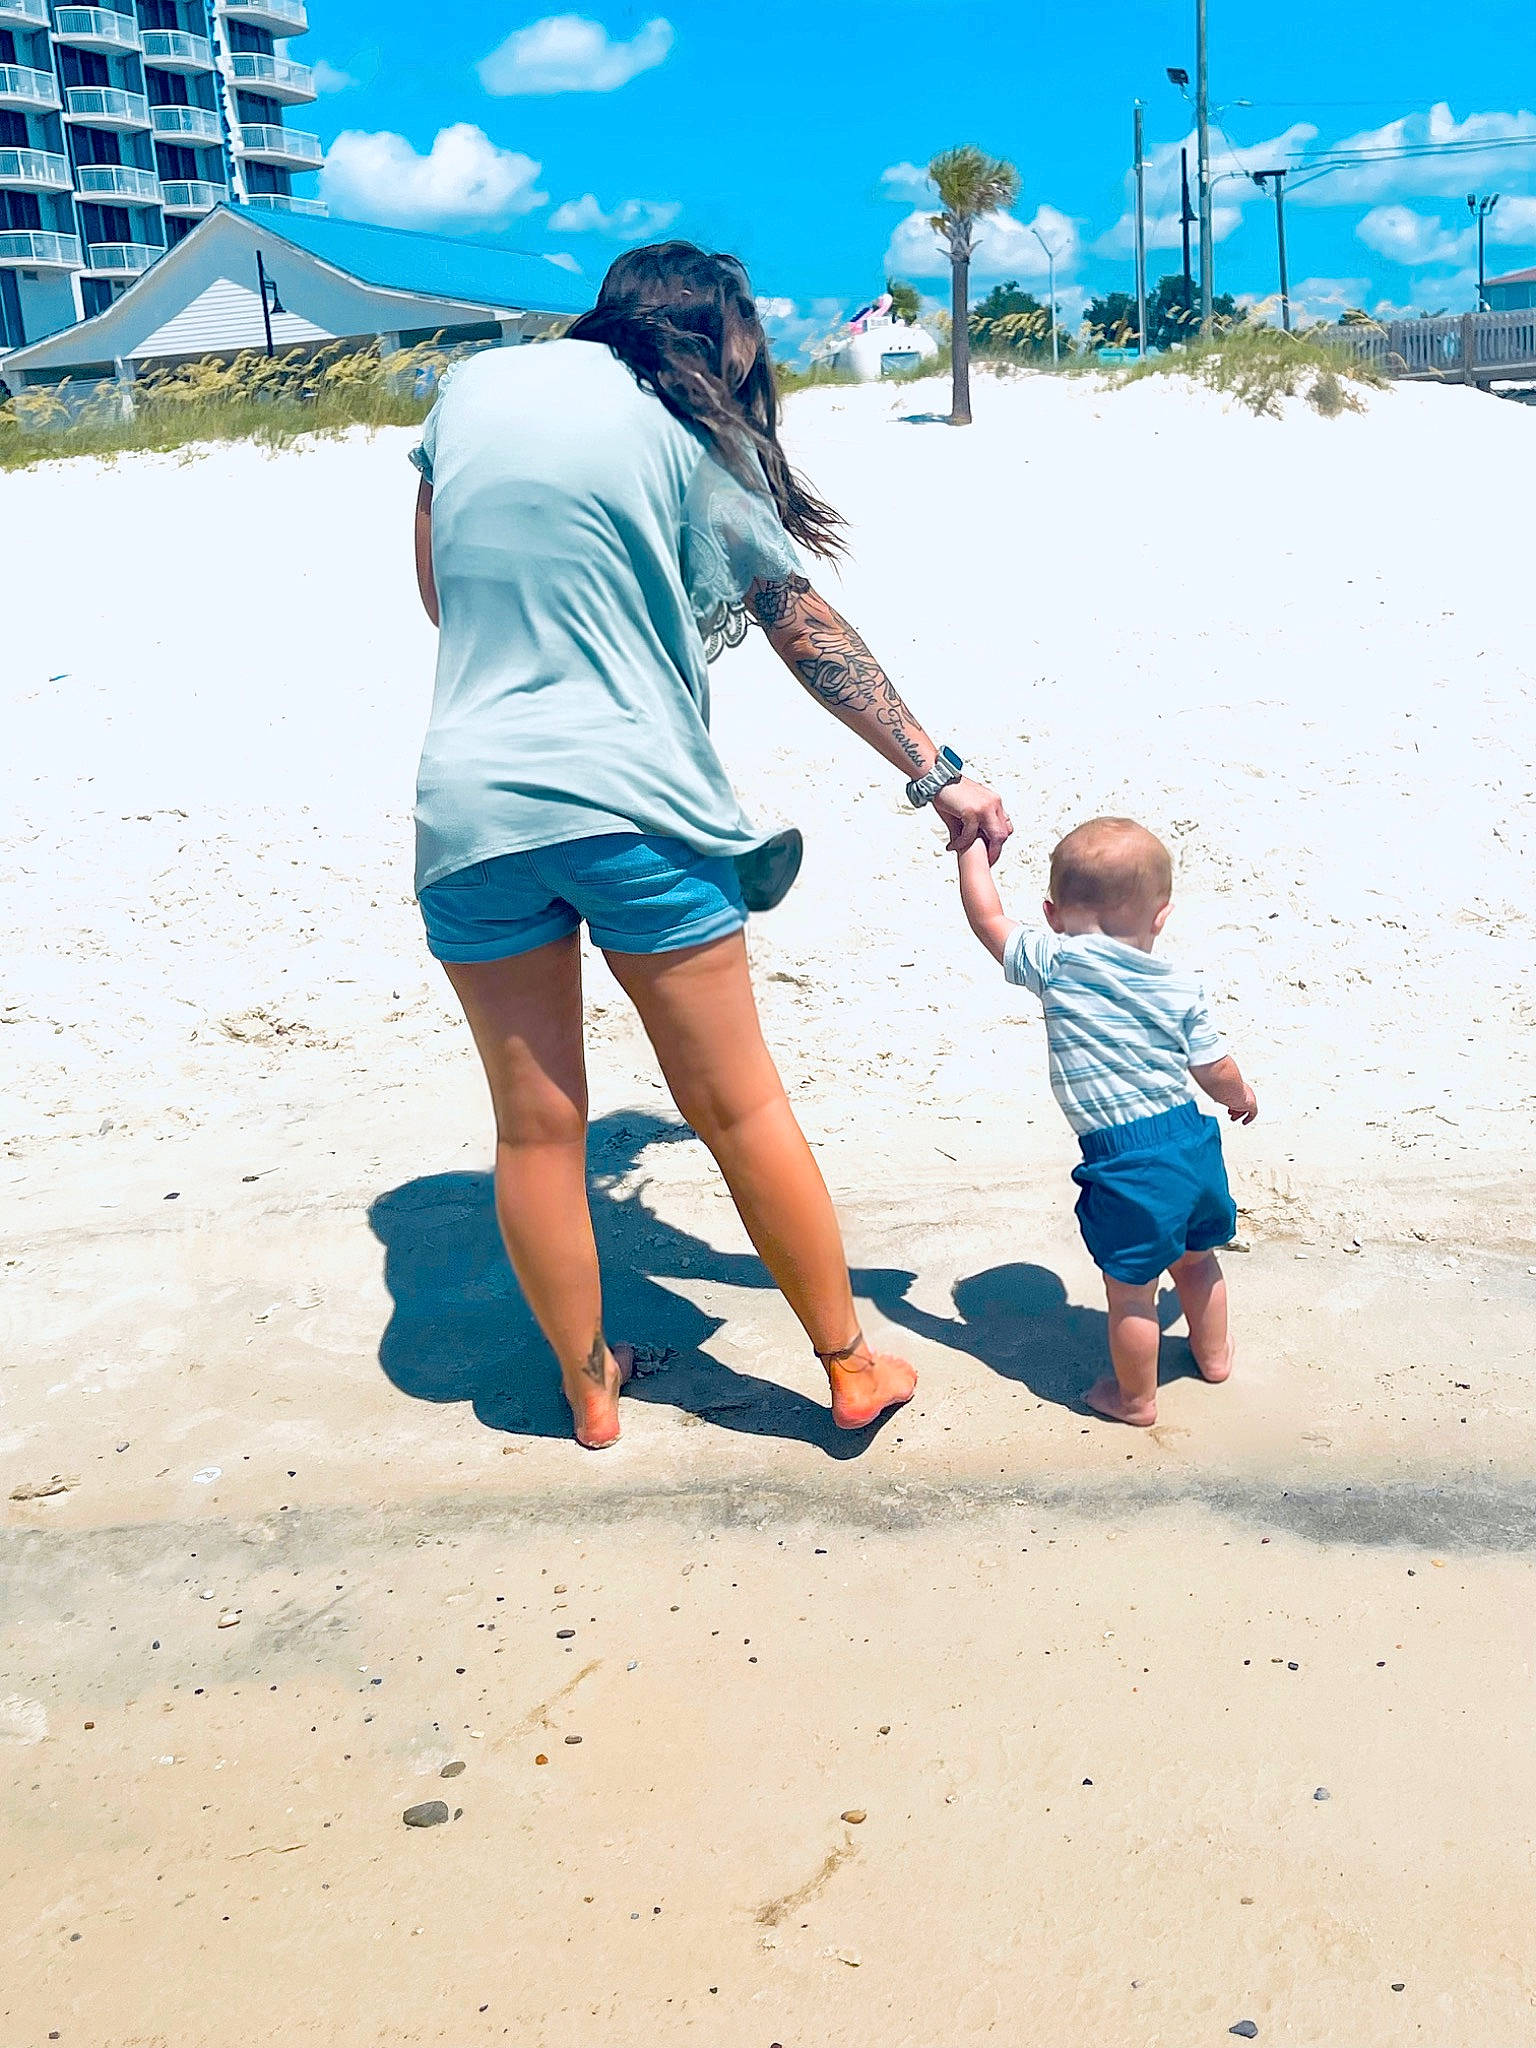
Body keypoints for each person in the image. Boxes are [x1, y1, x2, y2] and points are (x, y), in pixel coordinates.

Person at [409, 241, 1012, 1448]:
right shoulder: (685, 431)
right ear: (705, 339)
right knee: (739, 1106)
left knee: (536, 1128)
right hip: (638, 803)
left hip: (470, 809)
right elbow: (798, 620)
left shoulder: (471, 389)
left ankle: (589, 1392)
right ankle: (846, 1364)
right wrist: (936, 773)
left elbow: (438, 590)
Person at [954, 818, 1257, 1427]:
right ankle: (1214, 1356)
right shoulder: (1180, 983)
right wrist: (1240, 1094)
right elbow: (1214, 1065)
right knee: (1198, 1261)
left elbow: (987, 919)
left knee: (1132, 1296)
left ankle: (1135, 1399)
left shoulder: (1055, 960)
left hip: (1126, 1162)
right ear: (1160, 917)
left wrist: (971, 854)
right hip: (1191, 1138)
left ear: (1052, 911)